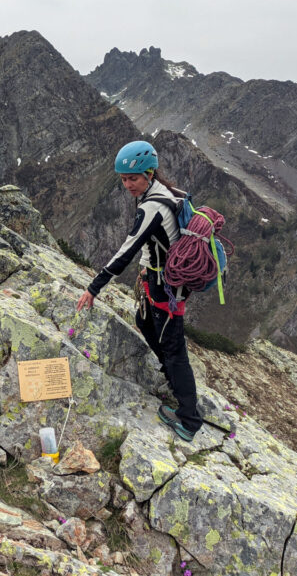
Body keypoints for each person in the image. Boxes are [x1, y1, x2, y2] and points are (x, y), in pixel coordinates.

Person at [75, 140, 202, 441]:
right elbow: (159, 241)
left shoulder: (152, 206)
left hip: (168, 287)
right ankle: (173, 380)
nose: (127, 184)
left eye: (132, 178)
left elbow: (125, 251)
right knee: (145, 322)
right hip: (164, 280)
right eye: (123, 178)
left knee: (174, 349)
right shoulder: (160, 192)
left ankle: (189, 418)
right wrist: (149, 265)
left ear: (149, 173)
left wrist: (94, 288)